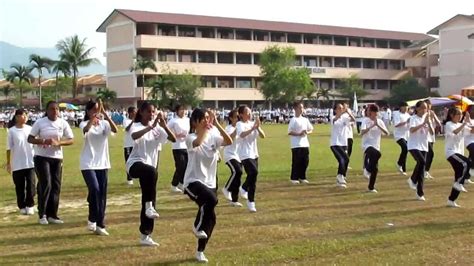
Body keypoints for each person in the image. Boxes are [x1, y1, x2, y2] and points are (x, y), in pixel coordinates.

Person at [183, 108, 232, 263]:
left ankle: (200, 251)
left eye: (207, 118)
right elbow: (198, 142)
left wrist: (217, 123)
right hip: (193, 182)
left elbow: (229, 141)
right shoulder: (189, 137)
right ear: (194, 122)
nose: (206, 120)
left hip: (210, 182)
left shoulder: (212, 136)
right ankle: (196, 226)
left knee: (211, 218)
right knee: (211, 200)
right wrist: (205, 129)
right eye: (202, 119)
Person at [126, 101, 176, 246]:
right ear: (141, 112)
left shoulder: (158, 128)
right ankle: (149, 207)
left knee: (149, 200)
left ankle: (145, 235)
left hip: (149, 169)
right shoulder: (137, 126)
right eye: (148, 111)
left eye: (153, 112)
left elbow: (173, 139)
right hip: (135, 164)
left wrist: (164, 125)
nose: (151, 114)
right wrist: (150, 127)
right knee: (151, 172)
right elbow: (134, 136)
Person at [27, 101, 74, 224]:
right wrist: (43, 141)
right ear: (47, 111)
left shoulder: (62, 123)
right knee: (46, 183)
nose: (55, 111)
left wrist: (59, 143)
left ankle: (52, 214)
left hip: (57, 157)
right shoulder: (40, 122)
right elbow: (30, 138)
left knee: (56, 185)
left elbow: (71, 139)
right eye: (52, 109)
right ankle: (42, 214)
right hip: (41, 157)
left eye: (57, 109)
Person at [80, 100, 118, 236]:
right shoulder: (84, 123)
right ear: (88, 111)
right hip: (88, 163)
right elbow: (85, 130)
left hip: (103, 163)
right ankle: (92, 218)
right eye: (94, 110)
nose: (97, 112)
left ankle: (100, 224)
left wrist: (106, 116)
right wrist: (93, 119)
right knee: (95, 189)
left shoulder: (104, 124)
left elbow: (115, 130)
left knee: (101, 195)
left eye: (98, 109)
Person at [6, 109, 36, 215]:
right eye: (22, 115)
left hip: (31, 162)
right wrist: (8, 163)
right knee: (19, 186)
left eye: (25, 115)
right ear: (17, 117)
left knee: (31, 185)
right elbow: (9, 148)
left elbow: (35, 144)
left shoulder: (31, 129)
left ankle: (30, 205)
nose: (25, 117)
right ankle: (22, 206)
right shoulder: (12, 131)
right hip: (18, 163)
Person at [236, 105, 265, 212]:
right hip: (245, 154)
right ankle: (243, 188)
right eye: (247, 112)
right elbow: (242, 135)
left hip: (254, 153)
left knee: (253, 179)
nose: (249, 114)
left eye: (250, 112)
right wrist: (252, 128)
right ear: (241, 115)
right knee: (254, 172)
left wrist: (257, 127)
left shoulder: (253, 123)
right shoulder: (239, 124)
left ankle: (251, 201)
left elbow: (263, 136)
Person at [443, 107, 473, 207]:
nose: (460, 116)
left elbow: (472, 131)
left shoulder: (461, 124)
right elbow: (455, 132)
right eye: (458, 114)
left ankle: (451, 200)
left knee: (459, 174)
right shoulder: (448, 124)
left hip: (459, 153)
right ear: (452, 115)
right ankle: (459, 183)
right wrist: (464, 123)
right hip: (451, 153)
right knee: (467, 163)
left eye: (461, 114)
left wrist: (468, 121)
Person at [407, 101, 433, 201]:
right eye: (422, 108)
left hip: (424, 146)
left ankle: (420, 193)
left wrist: (429, 122)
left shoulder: (426, 119)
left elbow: (431, 132)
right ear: (417, 108)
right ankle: (412, 179)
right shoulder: (413, 118)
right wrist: (423, 123)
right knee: (422, 162)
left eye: (425, 108)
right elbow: (412, 130)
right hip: (414, 145)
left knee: (422, 169)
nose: (424, 110)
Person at [360, 105, 388, 192]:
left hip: (376, 146)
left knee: (375, 169)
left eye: (369, 111)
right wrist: (371, 126)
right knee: (377, 154)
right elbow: (362, 132)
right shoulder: (365, 120)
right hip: (367, 145)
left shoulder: (380, 121)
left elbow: (386, 133)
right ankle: (367, 169)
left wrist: (378, 125)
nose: (368, 112)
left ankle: (371, 187)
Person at [330, 103, 355, 188]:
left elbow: (353, 120)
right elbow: (335, 120)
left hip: (344, 143)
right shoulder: (333, 117)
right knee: (342, 159)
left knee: (346, 160)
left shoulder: (345, 118)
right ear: (335, 110)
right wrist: (341, 113)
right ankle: (340, 176)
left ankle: (341, 177)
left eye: (342, 108)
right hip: (335, 143)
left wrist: (348, 112)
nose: (341, 110)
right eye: (339, 108)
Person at [221, 109, 243, 206]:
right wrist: (236, 130)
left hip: (238, 155)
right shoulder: (228, 128)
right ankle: (226, 188)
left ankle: (234, 200)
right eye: (235, 117)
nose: (237, 119)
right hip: (229, 155)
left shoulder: (240, 127)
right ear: (231, 118)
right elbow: (229, 138)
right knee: (237, 171)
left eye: (239, 117)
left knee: (238, 177)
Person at [288, 102, 313, 184]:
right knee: (296, 162)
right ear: (295, 109)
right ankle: (294, 178)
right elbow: (290, 132)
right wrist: (298, 134)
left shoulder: (305, 120)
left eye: (302, 108)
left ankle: (302, 176)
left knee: (305, 161)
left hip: (305, 143)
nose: (301, 109)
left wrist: (306, 133)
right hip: (296, 144)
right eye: (299, 108)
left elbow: (311, 129)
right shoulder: (293, 120)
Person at [167, 104, 190, 193]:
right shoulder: (173, 121)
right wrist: (175, 135)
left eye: (184, 109)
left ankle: (179, 183)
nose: (183, 111)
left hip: (187, 145)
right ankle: (177, 184)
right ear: (176, 111)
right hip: (177, 146)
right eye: (181, 109)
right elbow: (166, 130)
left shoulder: (188, 120)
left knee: (187, 166)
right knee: (181, 166)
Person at [424, 99, 441, 179]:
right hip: (425, 136)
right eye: (427, 105)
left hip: (431, 135)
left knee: (429, 155)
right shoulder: (423, 114)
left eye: (429, 105)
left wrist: (434, 118)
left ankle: (425, 171)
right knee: (430, 153)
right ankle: (424, 171)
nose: (428, 106)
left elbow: (438, 123)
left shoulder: (432, 113)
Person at [393, 102, 410, 175]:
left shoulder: (408, 115)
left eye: (407, 107)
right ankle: (399, 163)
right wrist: (406, 122)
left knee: (406, 151)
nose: (406, 108)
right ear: (401, 107)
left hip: (406, 135)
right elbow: (396, 125)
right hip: (399, 135)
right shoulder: (397, 114)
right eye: (404, 107)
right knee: (405, 148)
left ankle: (403, 169)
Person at [122, 106, 137, 186]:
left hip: (136, 144)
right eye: (134, 112)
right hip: (128, 144)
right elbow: (127, 129)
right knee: (128, 161)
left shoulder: (138, 121)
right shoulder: (126, 120)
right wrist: (132, 122)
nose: (135, 113)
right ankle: (129, 178)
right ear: (130, 113)